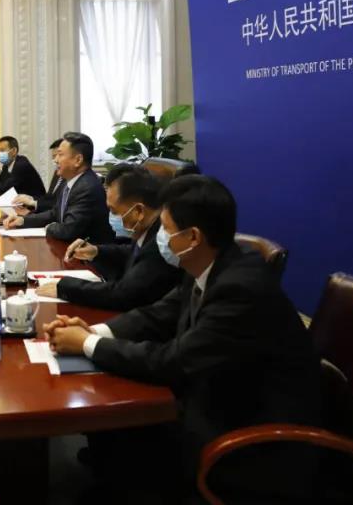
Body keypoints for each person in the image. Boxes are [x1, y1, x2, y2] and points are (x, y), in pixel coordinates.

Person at [46, 175, 321, 502]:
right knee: (112, 435)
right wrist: (95, 332)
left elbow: (174, 362)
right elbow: (158, 314)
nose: (160, 237)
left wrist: (87, 344)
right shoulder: (207, 263)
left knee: (123, 435)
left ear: (193, 237)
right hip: (217, 396)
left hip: (249, 432)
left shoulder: (240, 288)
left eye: (165, 228)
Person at [37, 166, 180, 311]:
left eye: (113, 211)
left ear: (138, 211)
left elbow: (123, 294)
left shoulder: (163, 243)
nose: (111, 216)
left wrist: (65, 287)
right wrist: (96, 251)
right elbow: (132, 253)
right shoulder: (148, 228)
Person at [2, 132, 114, 243]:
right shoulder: (69, 181)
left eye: (60, 155)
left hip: (88, 252)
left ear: (78, 160)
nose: (56, 160)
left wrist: (49, 227)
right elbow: (55, 213)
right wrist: (22, 220)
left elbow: (68, 230)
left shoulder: (87, 187)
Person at [11, 138, 63, 215]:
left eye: (59, 155)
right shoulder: (57, 173)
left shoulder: (21, 163)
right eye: (53, 157)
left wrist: (33, 203)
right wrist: (30, 199)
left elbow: (58, 205)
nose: (55, 160)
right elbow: (49, 198)